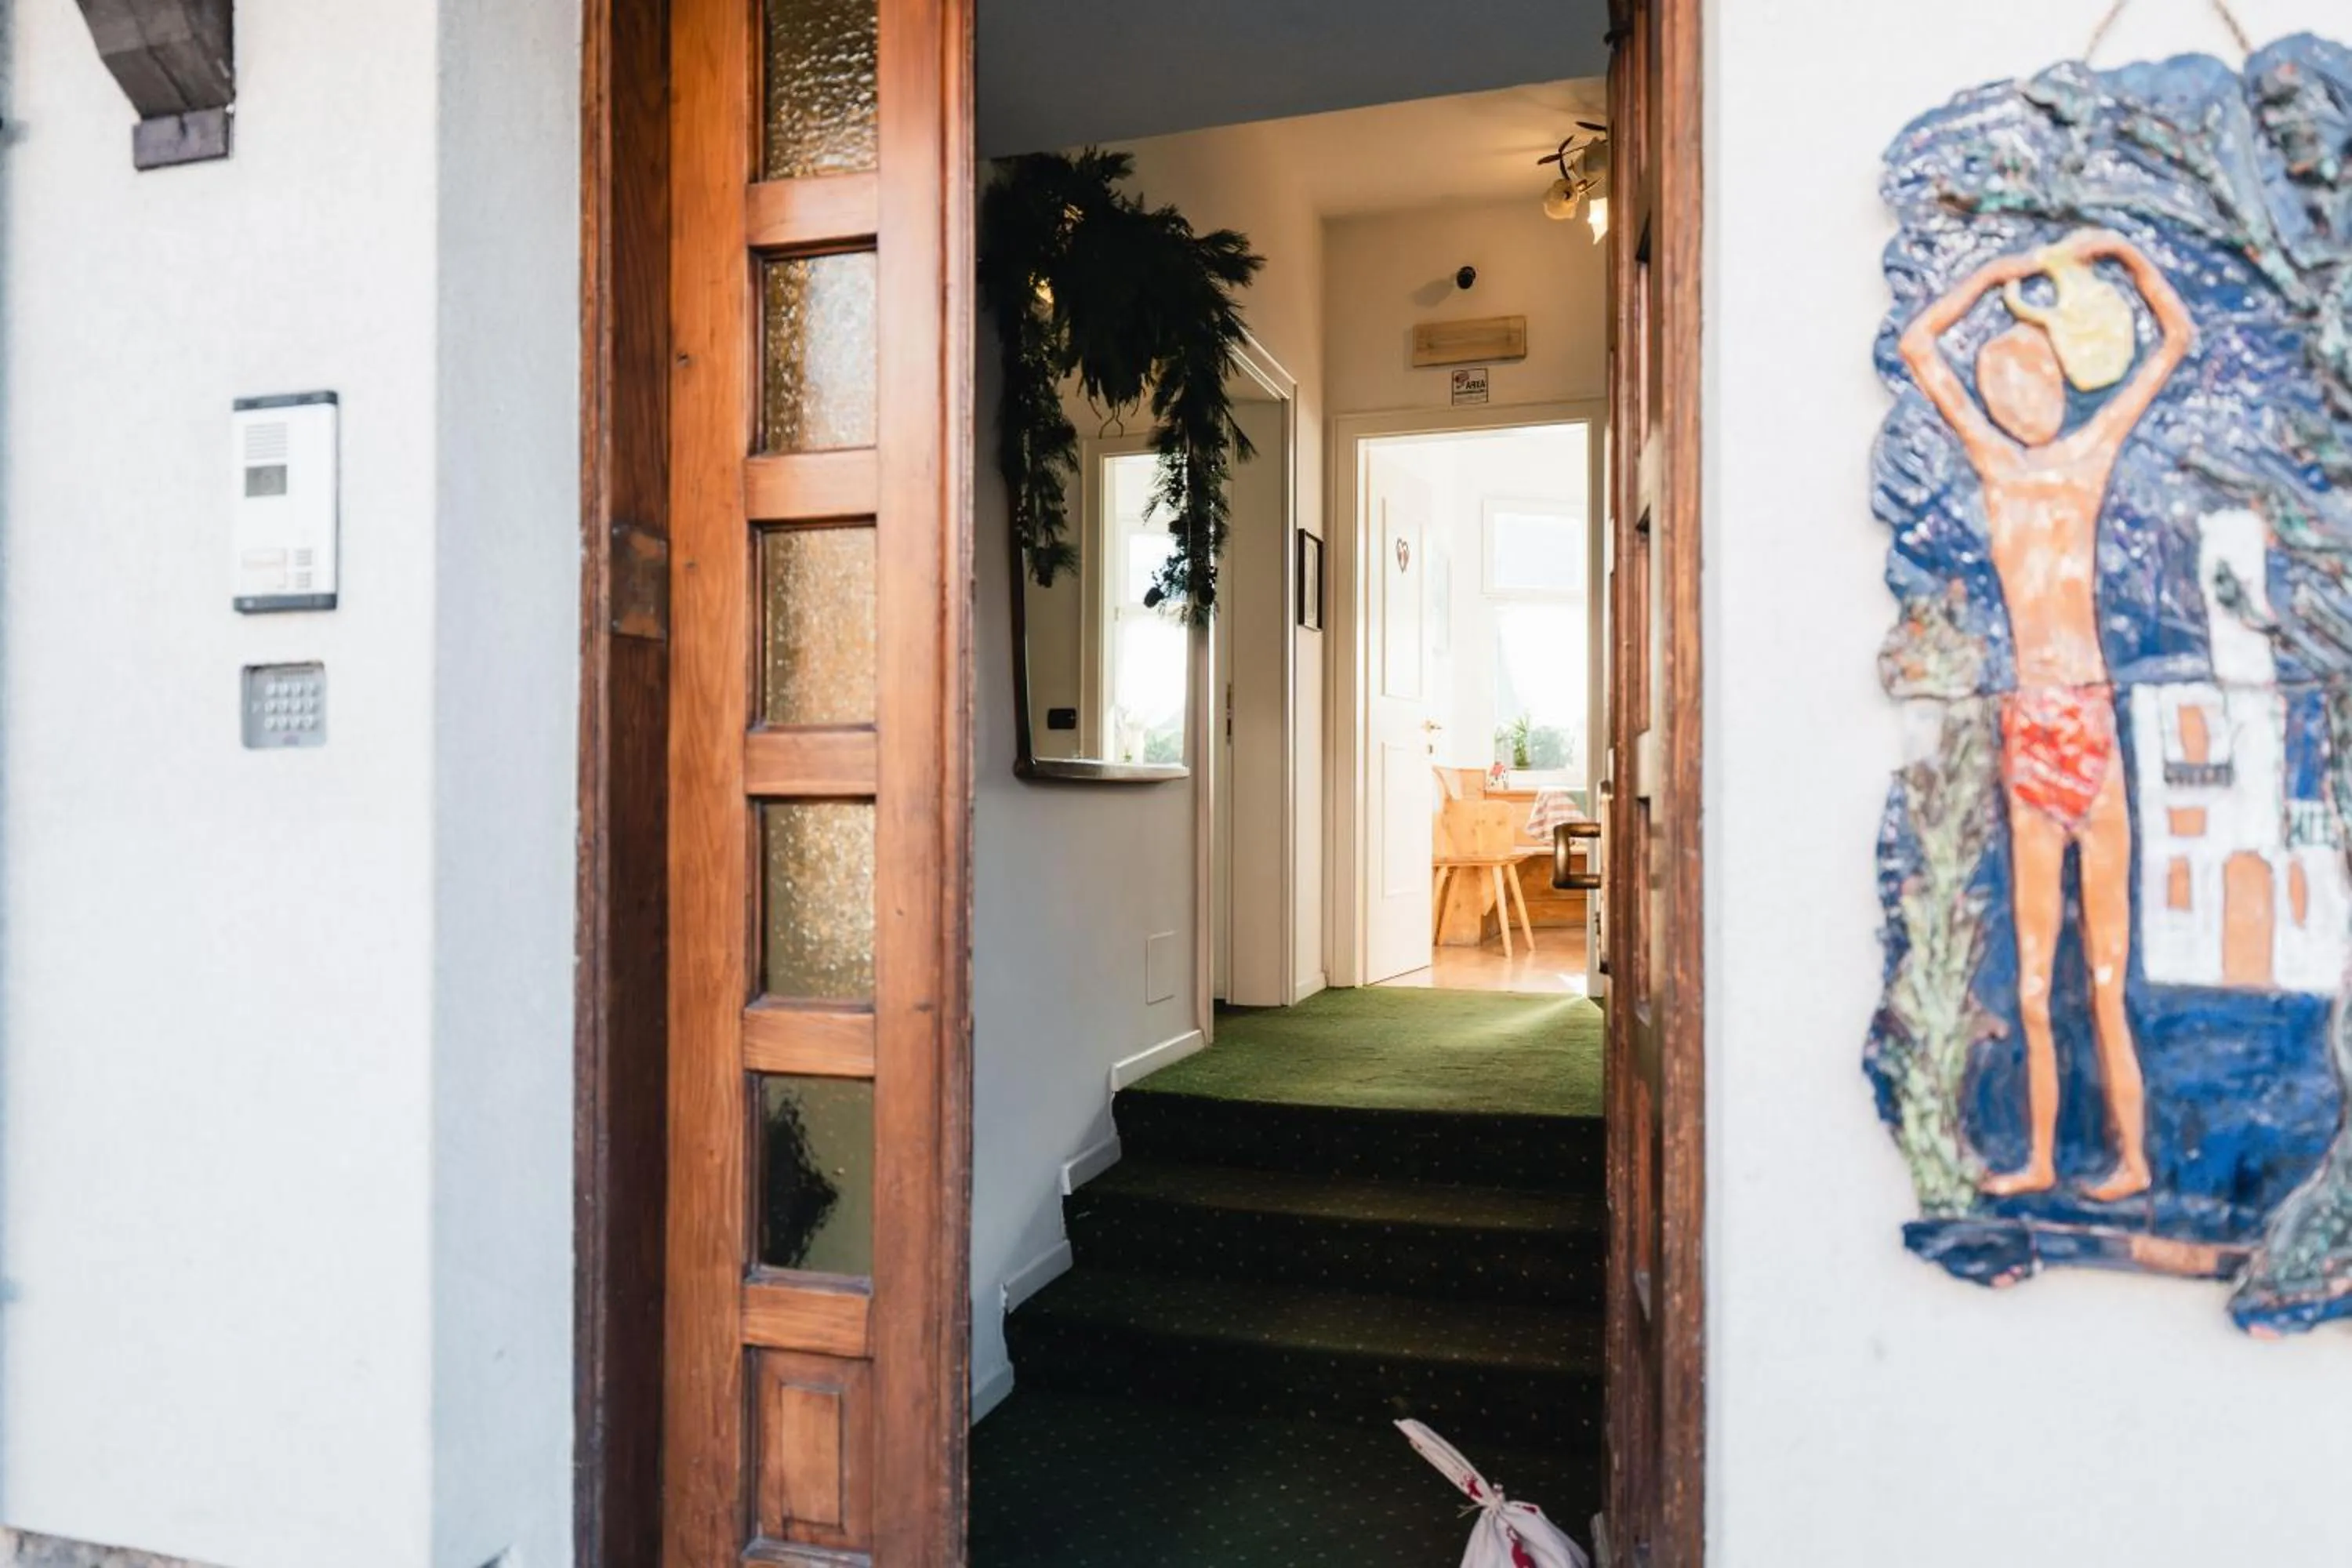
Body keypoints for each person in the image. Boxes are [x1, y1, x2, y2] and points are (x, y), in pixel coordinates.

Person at [1898, 227, 2194, 1200]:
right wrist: (1988, 273)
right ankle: (2038, 1155)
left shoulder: (2088, 456)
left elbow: (2174, 339)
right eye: (2004, 387)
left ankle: (2133, 1156)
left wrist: (2111, 248)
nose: (2019, 399)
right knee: (2035, 979)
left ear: (2059, 385)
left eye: (2032, 380)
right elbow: (1917, 348)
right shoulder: (1994, 464)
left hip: (2086, 720)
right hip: (2033, 721)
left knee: (2103, 974)